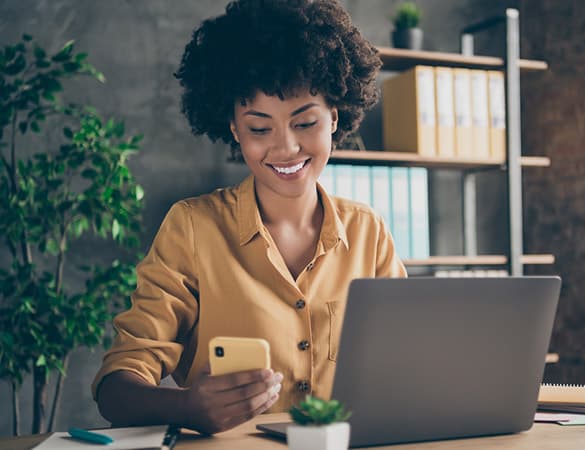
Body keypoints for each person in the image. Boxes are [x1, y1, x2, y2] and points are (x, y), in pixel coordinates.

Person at [93, 0, 406, 435]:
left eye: (305, 123)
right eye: (260, 128)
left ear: (334, 118)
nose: (286, 148)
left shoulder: (368, 232)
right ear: (235, 130)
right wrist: (186, 407)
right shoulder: (193, 228)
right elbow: (115, 390)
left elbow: (407, 366)